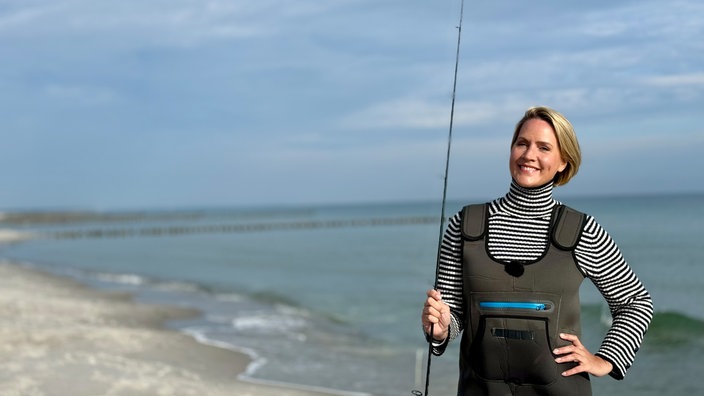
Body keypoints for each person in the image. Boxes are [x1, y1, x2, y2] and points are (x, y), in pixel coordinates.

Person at [421, 106, 653, 395]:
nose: (529, 155)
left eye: (544, 147)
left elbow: (635, 302)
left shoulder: (582, 230)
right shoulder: (464, 225)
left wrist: (606, 359)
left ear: (563, 163)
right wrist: (442, 329)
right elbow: (453, 315)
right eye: (522, 143)